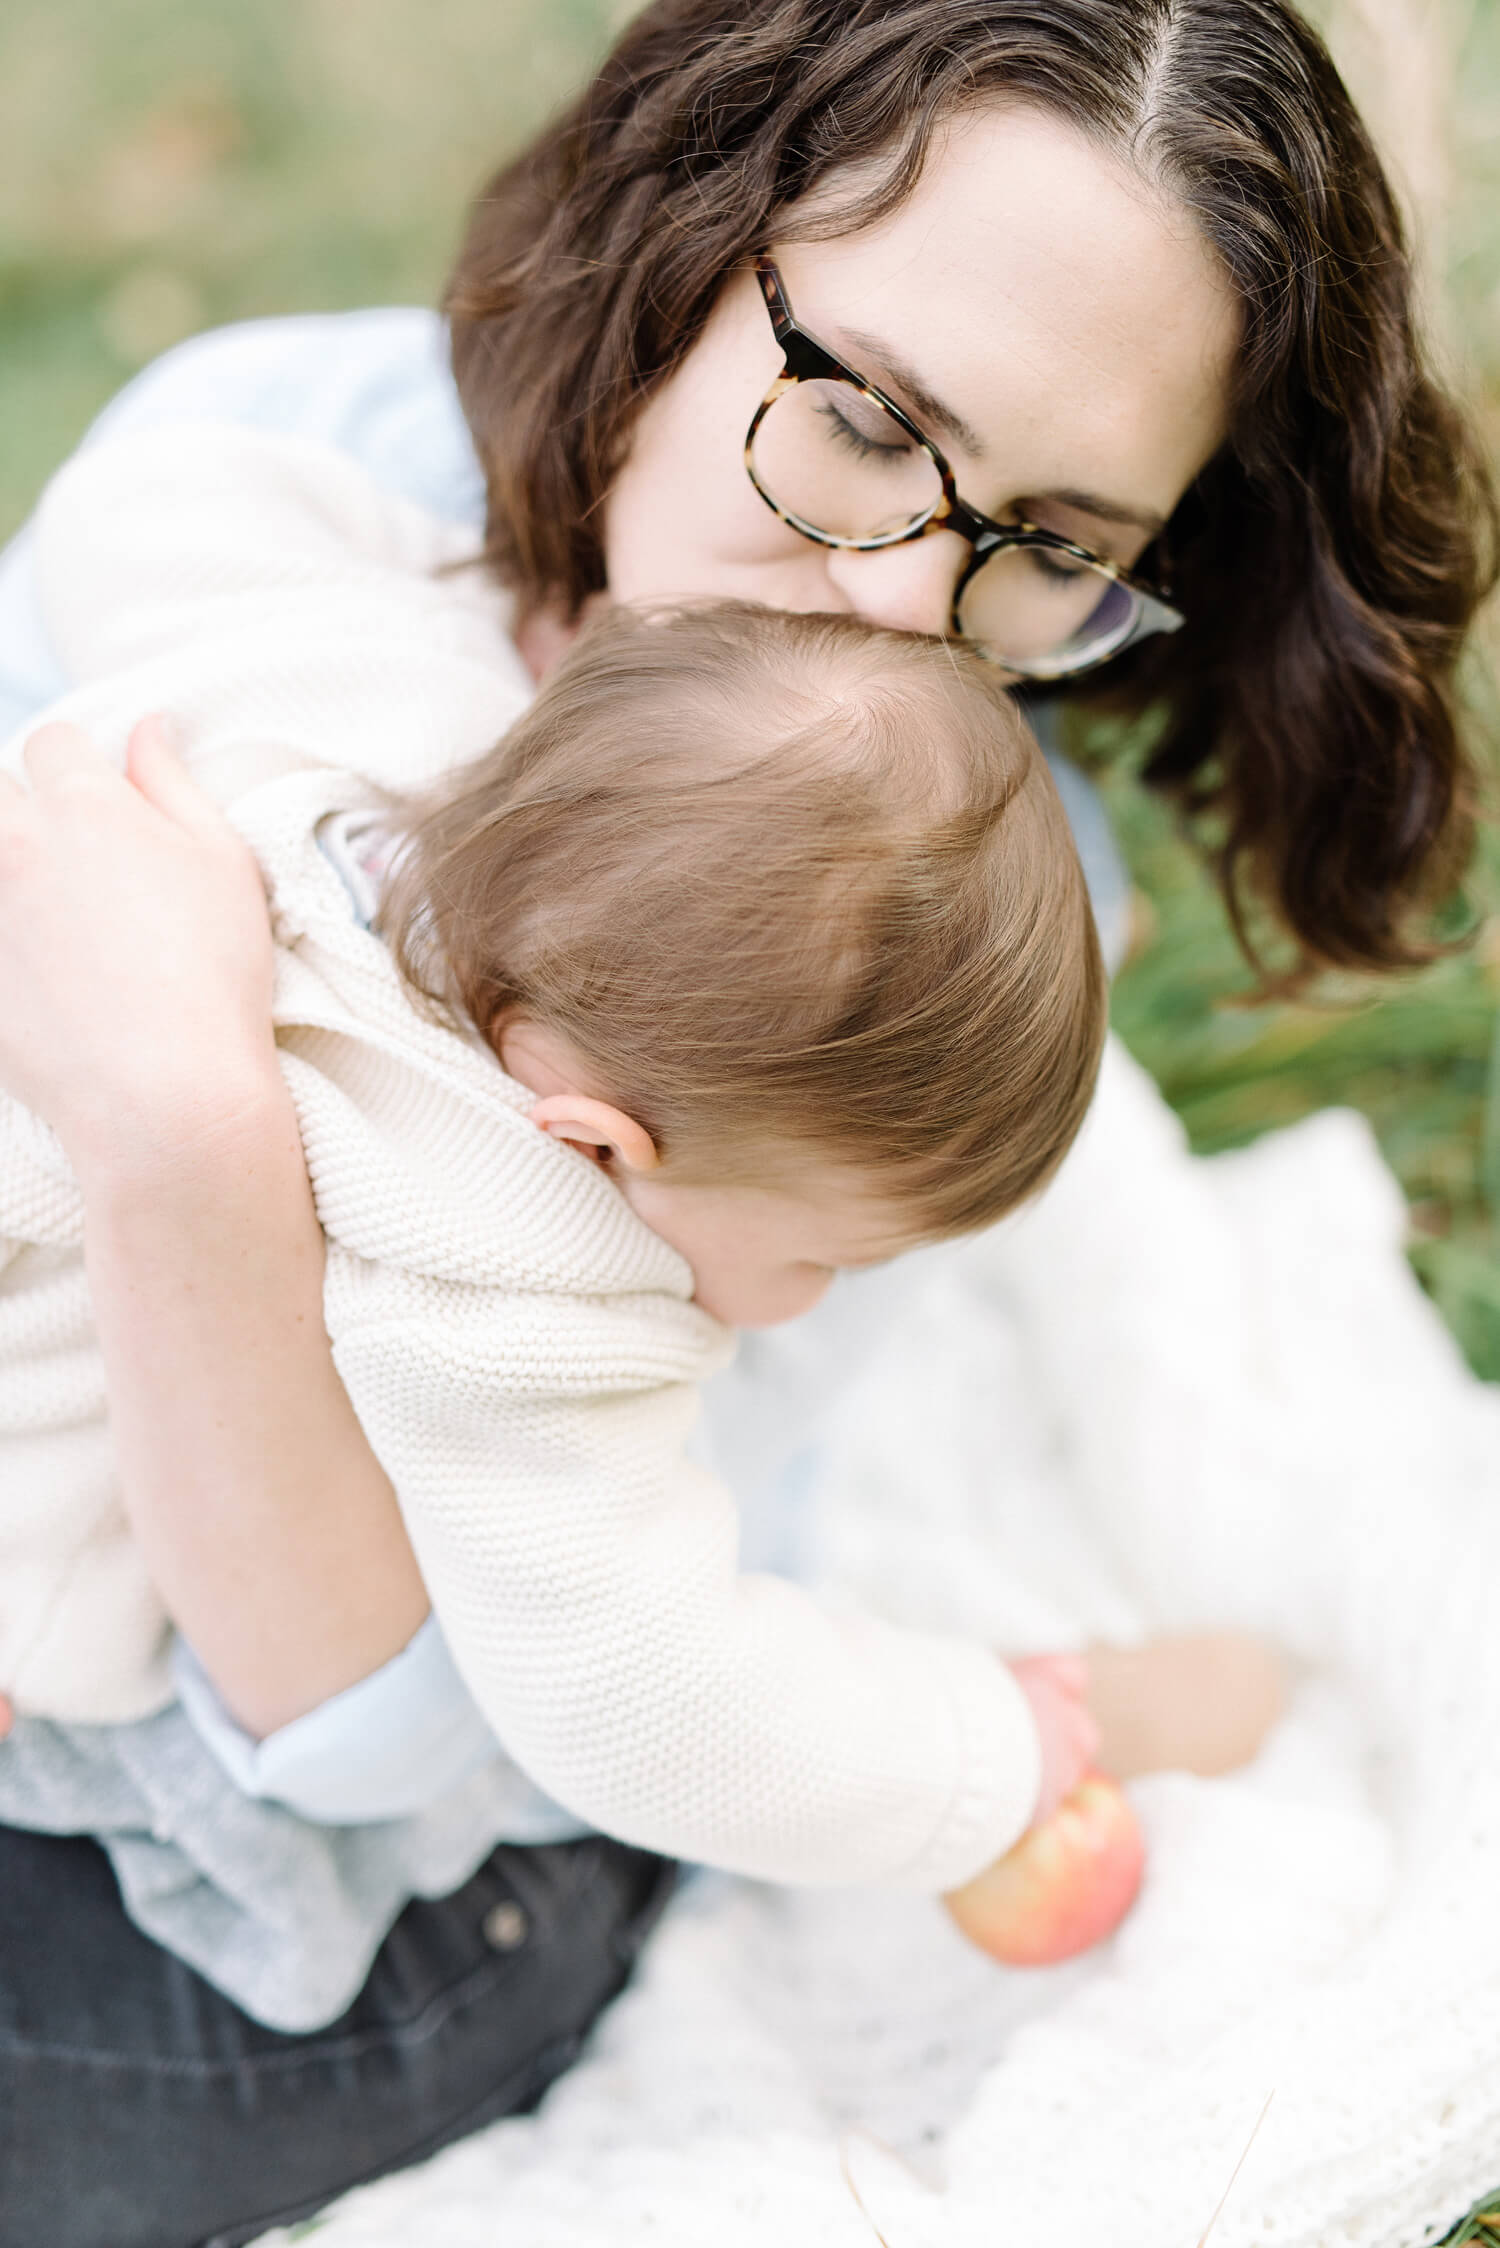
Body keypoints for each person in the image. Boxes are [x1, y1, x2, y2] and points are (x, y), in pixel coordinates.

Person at [0, 2, 1491, 2243]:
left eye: (1055, 539)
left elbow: (412, 1720)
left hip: (346, 1847)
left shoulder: (912, 944)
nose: (903, 603)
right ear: (693, 230)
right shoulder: (281, 480)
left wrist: (183, 1132)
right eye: (870, 424)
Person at [2, 422, 1108, 1894]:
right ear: (597, 1140)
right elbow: (654, 1701)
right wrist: (991, 1752)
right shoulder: (528, 1267)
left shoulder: (367, 670)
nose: (809, 1305)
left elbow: (155, 495)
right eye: (821, 1258)